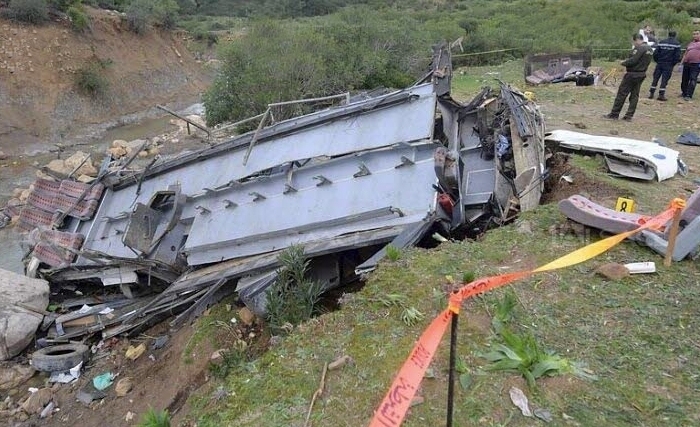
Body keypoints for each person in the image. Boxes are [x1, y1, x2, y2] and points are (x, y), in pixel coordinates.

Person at [603, 33, 653, 121]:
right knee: (634, 95)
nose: (634, 44)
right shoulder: (649, 49)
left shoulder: (639, 48)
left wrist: (623, 62)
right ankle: (629, 115)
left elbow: (633, 60)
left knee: (622, 93)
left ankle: (614, 114)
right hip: (641, 73)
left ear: (637, 40)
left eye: (634, 42)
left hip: (632, 74)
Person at [648, 30, 681, 101]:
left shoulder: (662, 42)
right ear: (675, 35)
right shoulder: (677, 44)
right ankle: (661, 94)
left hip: (660, 63)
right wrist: (673, 64)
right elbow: (677, 56)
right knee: (664, 79)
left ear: (668, 35)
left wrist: (657, 60)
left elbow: (655, 53)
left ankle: (651, 93)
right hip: (668, 64)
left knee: (655, 78)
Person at [680, 29, 700, 101]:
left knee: (693, 79)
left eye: (697, 34)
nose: (695, 35)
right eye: (694, 34)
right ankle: (684, 92)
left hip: (696, 64)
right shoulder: (691, 43)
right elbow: (685, 53)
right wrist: (681, 63)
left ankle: (689, 95)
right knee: (684, 79)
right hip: (687, 63)